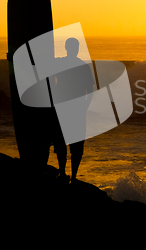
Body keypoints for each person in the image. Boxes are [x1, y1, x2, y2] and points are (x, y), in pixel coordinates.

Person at [53, 38, 95, 183]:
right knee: (67, 143)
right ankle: (70, 175)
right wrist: (85, 106)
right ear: (68, 48)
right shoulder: (82, 66)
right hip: (70, 108)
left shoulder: (74, 65)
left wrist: (84, 106)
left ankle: (66, 173)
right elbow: (90, 91)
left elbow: (90, 90)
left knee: (67, 143)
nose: (74, 49)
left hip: (70, 108)